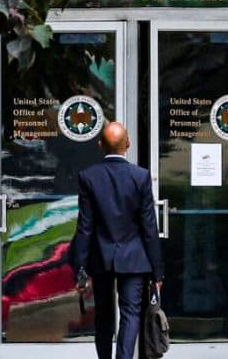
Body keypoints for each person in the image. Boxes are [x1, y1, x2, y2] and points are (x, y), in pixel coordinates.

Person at [70, 121, 164, 359]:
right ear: (128, 144)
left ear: (100, 144)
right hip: (134, 258)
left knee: (103, 314)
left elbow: (85, 228)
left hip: (101, 257)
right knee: (131, 313)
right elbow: (149, 228)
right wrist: (157, 273)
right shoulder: (141, 177)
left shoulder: (88, 177)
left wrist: (80, 270)